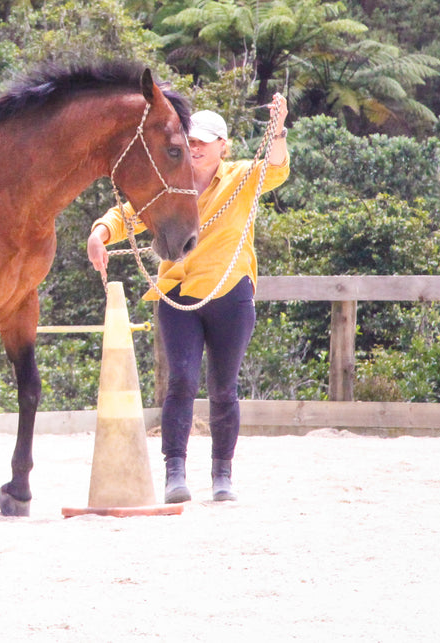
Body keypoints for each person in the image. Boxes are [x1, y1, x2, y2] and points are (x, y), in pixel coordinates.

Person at [86, 93, 289, 503]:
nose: (195, 146)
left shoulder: (240, 177)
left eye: (205, 140)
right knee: (180, 381)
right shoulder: (169, 182)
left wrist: (279, 127)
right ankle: (174, 471)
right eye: (191, 139)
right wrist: (100, 233)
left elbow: (277, 167)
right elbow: (128, 213)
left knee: (223, 387)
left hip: (229, 292)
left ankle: (222, 475)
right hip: (177, 292)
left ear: (223, 146)